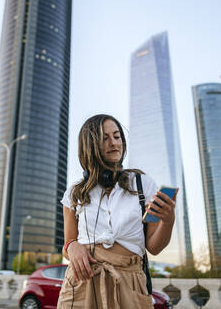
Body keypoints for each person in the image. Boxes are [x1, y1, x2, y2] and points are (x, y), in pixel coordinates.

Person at [57, 114, 177, 309]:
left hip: (130, 284)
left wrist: (168, 222)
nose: (114, 143)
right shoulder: (74, 192)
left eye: (117, 136)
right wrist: (72, 246)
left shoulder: (141, 183)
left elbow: (154, 247)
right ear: (90, 145)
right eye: (105, 138)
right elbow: (67, 243)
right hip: (82, 283)